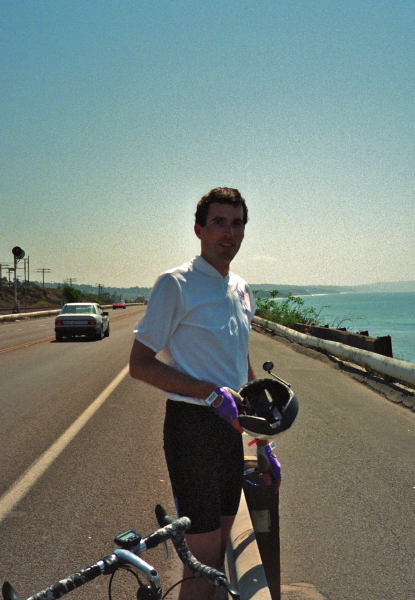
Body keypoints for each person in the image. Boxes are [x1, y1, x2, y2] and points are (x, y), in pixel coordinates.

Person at [129, 187, 266, 600]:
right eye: (219, 222)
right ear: (199, 230)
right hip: (192, 430)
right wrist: (208, 393)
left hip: (229, 430)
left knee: (219, 551)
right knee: (203, 564)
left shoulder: (241, 288)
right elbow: (140, 365)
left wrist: (261, 441)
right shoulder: (176, 284)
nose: (229, 231)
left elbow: (241, 364)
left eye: (237, 223)